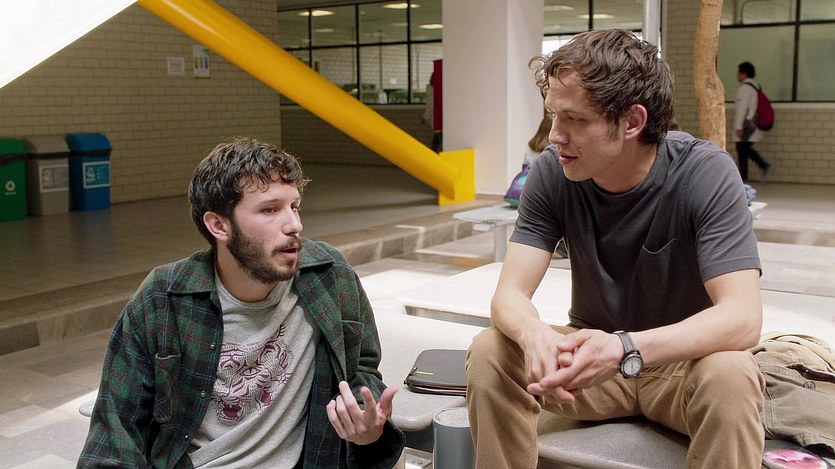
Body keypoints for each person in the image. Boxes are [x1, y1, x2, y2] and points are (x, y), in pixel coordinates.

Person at [466, 29, 766, 468]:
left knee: (731, 374)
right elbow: (509, 294)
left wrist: (625, 348)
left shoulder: (705, 173)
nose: (554, 136)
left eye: (574, 120)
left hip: (682, 366)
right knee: (492, 350)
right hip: (587, 370)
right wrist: (533, 334)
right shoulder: (552, 173)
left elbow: (742, 318)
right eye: (553, 115)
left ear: (632, 121)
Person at [78, 138, 404, 468]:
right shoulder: (163, 299)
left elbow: (362, 368)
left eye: (294, 206)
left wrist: (366, 425)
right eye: (270, 210)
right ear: (219, 225)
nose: (295, 225)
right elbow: (115, 432)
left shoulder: (328, 275)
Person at [734, 61, 774, 182]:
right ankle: (763, 166)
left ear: (744, 74)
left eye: (738, 72)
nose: (737, 75)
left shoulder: (745, 89)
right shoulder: (755, 88)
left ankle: (743, 179)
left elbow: (742, 109)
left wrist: (739, 127)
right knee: (744, 149)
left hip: (747, 124)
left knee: (742, 150)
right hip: (754, 124)